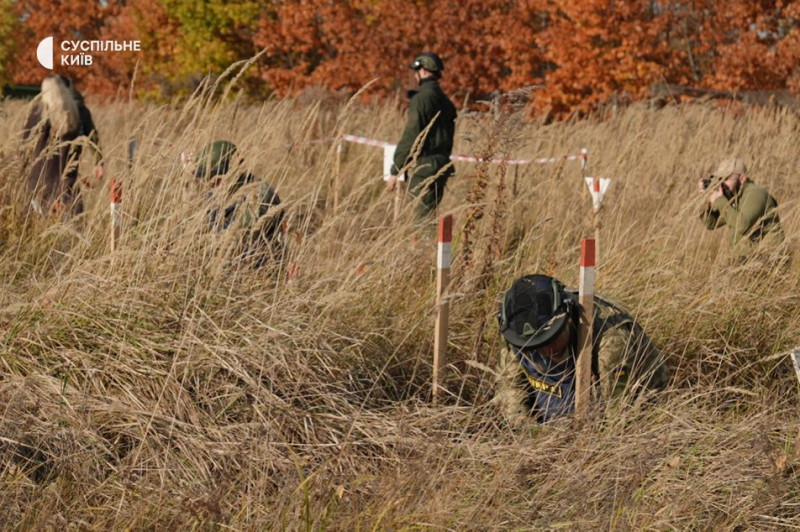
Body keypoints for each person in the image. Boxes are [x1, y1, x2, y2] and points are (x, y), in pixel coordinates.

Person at [494, 274, 670, 423]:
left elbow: (621, 418)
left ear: (568, 319)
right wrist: (527, 432)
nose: (547, 350)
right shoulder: (516, 332)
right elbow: (509, 387)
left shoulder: (610, 341)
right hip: (554, 418)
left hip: (632, 405)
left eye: (553, 338)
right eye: (536, 347)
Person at [20, 74, 104, 216]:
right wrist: (99, 162)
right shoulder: (78, 113)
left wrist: (21, 172)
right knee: (73, 225)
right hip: (67, 183)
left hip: (38, 183)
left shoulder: (37, 113)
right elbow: (93, 137)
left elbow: (24, 147)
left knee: (36, 226)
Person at [386, 52, 457, 217]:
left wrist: (396, 170)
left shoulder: (422, 99)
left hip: (424, 167)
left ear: (423, 71)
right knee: (429, 216)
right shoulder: (445, 100)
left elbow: (411, 136)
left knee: (419, 221)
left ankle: (424, 244)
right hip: (441, 164)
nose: (415, 77)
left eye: (416, 73)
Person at [193, 140, 284, 267]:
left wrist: (200, 243)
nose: (210, 183)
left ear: (233, 173)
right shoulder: (221, 192)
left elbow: (240, 238)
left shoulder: (258, 195)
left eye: (215, 178)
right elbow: (195, 227)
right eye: (206, 178)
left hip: (256, 272)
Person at [698, 158, 785, 262]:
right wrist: (706, 200)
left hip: (769, 258)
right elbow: (711, 223)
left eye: (726, 179)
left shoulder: (755, 194)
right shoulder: (735, 196)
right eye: (719, 179)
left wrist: (720, 200)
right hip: (751, 257)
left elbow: (743, 225)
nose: (721, 183)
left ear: (742, 178)